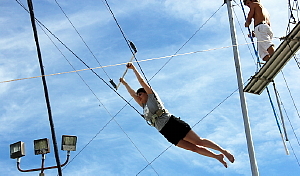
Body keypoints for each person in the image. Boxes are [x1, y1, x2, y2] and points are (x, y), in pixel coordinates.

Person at [120, 62, 235, 168]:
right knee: (193, 148)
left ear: (146, 93)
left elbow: (141, 82)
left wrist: (133, 69)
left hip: (172, 123)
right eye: (138, 95)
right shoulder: (143, 107)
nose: (138, 96)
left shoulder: (151, 97)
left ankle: (224, 151)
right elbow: (132, 94)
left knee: (198, 141)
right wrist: (124, 83)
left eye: (140, 94)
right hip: (165, 132)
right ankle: (217, 156)